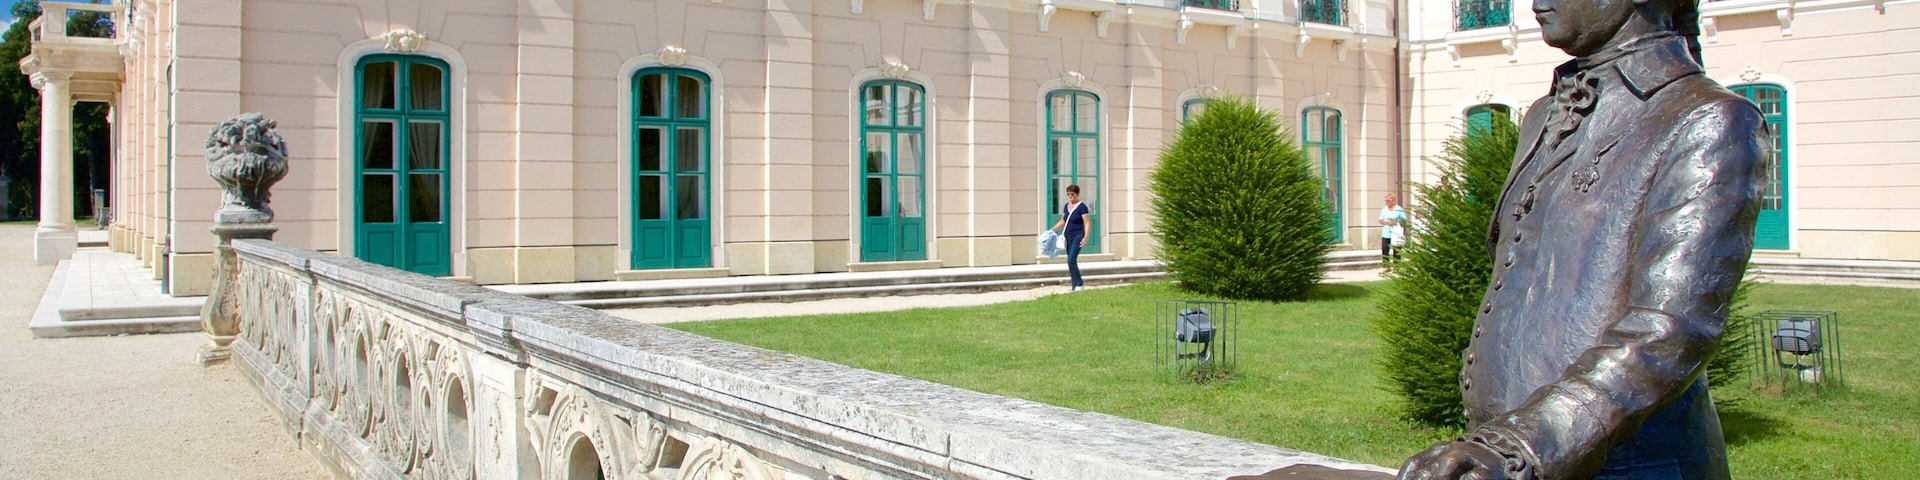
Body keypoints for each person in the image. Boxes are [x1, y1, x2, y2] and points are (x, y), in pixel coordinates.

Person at [1394, 0, 1767, 477]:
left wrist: (1517, 448)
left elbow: (1670, 329)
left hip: (1631, 466)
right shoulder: (1544, 114)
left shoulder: (1708, 118)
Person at [1048, 185, 1092, 291]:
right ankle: (1074, 286)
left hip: (1078, 235)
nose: (1070, 196)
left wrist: (1085, 236)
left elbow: (1086, 222)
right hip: (1067, 236)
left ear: (1077, 194)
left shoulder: (1082, 207)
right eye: (1068, 194)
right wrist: (1052, 230)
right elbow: (1063, 220)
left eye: (1073, 194)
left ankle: (1079, 284)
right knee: (1070, 261)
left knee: (1071, 259)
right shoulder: (1066, 206)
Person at [1379, 194, 1406, 267]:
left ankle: (1396, 266)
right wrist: (1386, 222)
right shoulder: (1384, 209)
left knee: (1396, 250)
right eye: (1386, 200)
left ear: (1393, 201)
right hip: (1386, 233)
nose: (1387, 202)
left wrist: (1396, 222)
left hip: (1395, 232)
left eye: (1389, 200)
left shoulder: (1398, 209)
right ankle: (1386, 265)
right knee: (1385, 249)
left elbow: (1404, 220)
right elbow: (1380, 220)